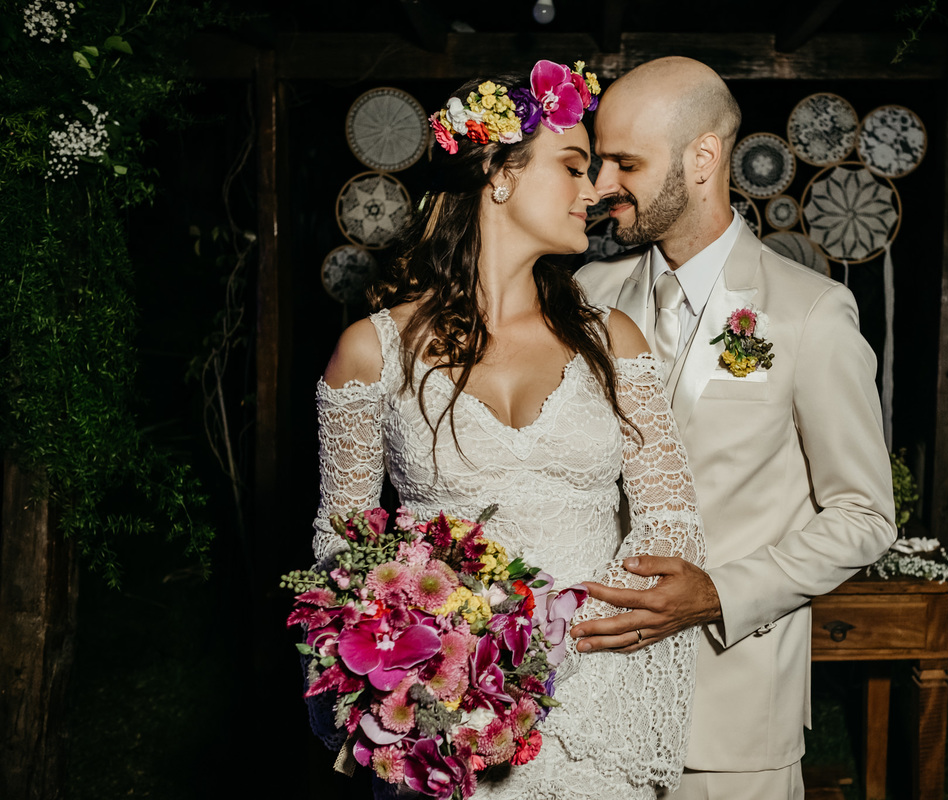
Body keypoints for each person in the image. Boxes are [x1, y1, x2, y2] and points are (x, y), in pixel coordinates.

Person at [310, 60, 705, 800]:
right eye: (574, 167)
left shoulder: (612, 337)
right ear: (499, 174)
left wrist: (548, 650)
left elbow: (671, 518)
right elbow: (343, 547)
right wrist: (444, 667)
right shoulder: (371, 351)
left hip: (599, 702)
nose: (595, 192)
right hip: (450, 718)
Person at [572, 56, 898, 799]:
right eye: (597, 162)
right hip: (589, 707)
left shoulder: (809, 313)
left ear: (703, 157)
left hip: (732, 720)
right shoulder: (585, 298)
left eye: (625, 161)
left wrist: (719, 593)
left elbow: (864, 515)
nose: (599, 186)